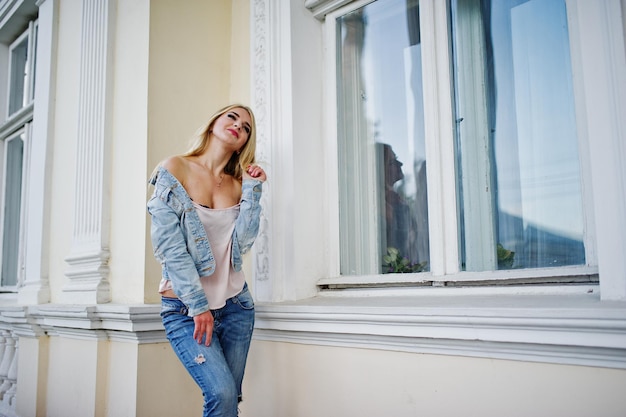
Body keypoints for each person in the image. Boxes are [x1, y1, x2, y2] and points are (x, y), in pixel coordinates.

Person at [147, 104, 266, 417]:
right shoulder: (175, 168)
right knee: (221, 394)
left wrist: (253, 190)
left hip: (236, 307)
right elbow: (169, 247)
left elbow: (243, 243)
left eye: (246, 127)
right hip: (186, 309)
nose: (238, 126)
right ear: (215, 121)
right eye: (232, 117)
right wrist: (199, 306)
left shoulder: (239, 184)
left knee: (229, 400)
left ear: (244, 142)